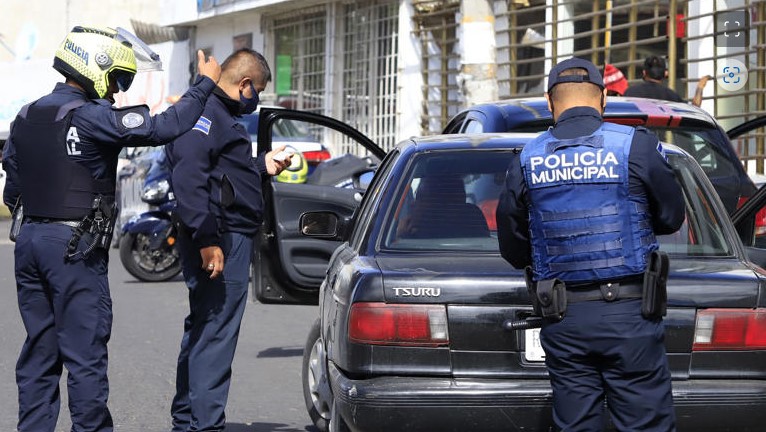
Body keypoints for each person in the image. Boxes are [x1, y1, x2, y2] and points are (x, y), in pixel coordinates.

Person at [1, 26, 221, 432]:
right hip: (74, 248)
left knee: (39, 353)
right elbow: (165, 126)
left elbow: (13, 186)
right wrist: (204, 84)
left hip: (29, 243)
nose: (118, 91)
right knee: (84, 356)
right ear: (93, 67)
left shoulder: (26, 115)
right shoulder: (90, 117)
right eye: (119, 79)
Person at [496, 57, 685, 431]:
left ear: (550, 102)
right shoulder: (636, 147)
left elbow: (512, 246)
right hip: (631, 314)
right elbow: (671, 217)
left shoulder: (528, 159)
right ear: (602, 99)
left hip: (564, 316)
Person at [165, 48, 291, 432]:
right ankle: (205, 425)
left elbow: (223, 173)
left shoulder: (219, 115)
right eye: (259, 91)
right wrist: (208, 240)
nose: (257, 100)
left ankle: (188, 420)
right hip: (220, 238)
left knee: (204, 329)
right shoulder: (206, 114)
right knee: (216, 334)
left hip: (219, 235)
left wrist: (262, 166)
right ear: (245, 84)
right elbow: (190, 179)